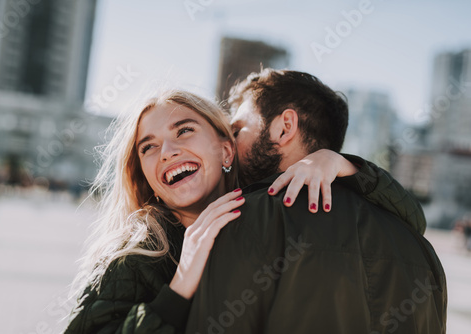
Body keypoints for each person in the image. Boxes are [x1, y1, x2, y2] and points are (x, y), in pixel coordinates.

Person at [63, 88, 428, 333]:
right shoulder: (138, 255)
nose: (167, 151)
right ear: (144, 174)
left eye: (184, 131)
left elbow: (411, 220)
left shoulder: (262, 219)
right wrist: (179, 286)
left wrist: (341, 164)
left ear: (226, 151)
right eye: (148, 147)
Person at [185, 69, 447, 333]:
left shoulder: (240, 222)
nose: (228, 147)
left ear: (285, 127)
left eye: (238, 130)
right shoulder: (420, 249)